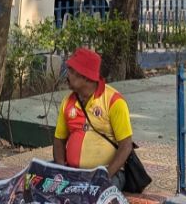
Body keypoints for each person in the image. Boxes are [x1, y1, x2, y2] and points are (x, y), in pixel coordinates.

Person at [53, 48, 134, 188]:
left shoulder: (114, 101)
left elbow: (126, 146)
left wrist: (105, 177)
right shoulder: (67, 102)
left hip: (108, 173)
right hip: (72, 173)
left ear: (85, 76)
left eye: (72, 71)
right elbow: (59, 140)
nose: (68, 75)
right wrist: (62, 171)